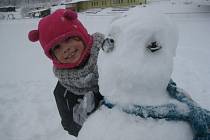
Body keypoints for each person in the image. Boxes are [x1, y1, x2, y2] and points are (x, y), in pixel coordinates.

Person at [28, 9, 110, 137]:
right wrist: (83, 122)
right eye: (57, 47)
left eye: (69, 39)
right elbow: (68, 125)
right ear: (52, 56)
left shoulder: (110, 54)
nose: (66, 49)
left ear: (81, 34)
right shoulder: (62, 91)